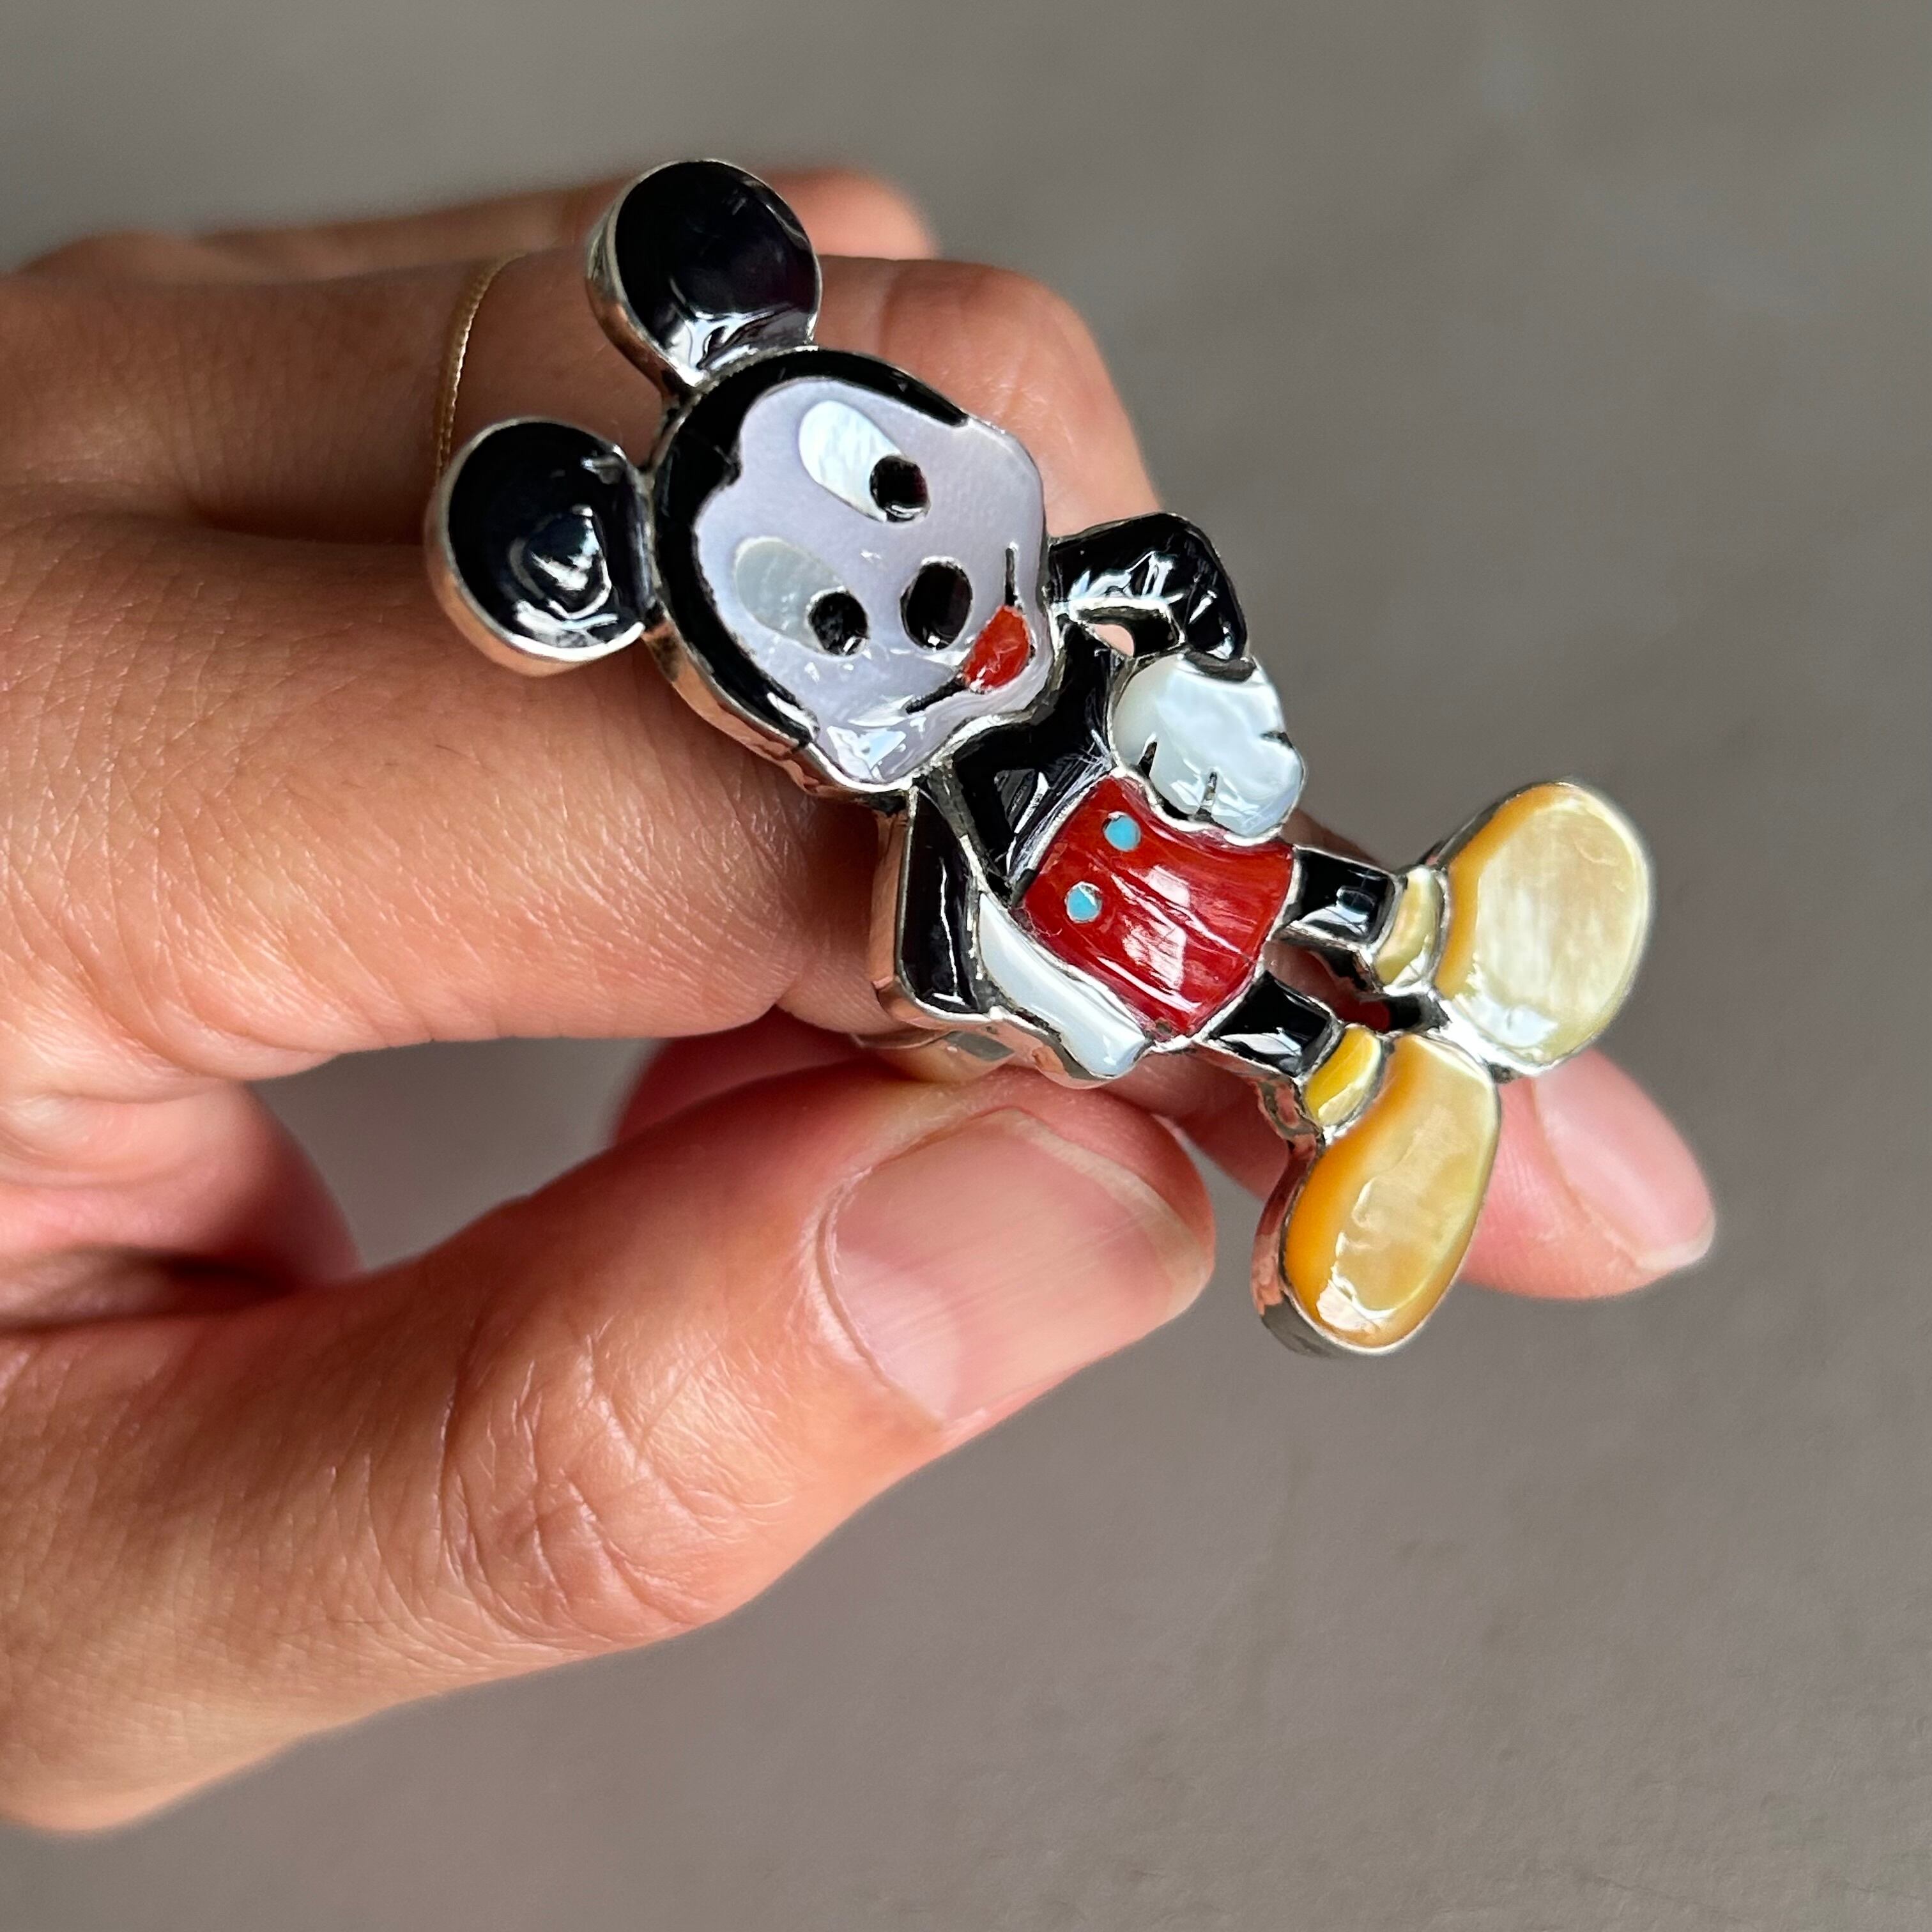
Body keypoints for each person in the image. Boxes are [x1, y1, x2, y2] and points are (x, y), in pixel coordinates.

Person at [0, 167, 1713, 1828]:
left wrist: (1225, 690)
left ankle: (1419, 922)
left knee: (1269, 879)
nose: (932, 592)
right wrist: (1054, 1019)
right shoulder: (936, 814)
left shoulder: (1062, 617)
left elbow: (1174, 572)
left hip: (1171, 817)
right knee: (1212, 966)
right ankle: (1340, 1078)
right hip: (1097, 924)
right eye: (829, 616)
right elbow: (945, 961)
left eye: (903, 490)